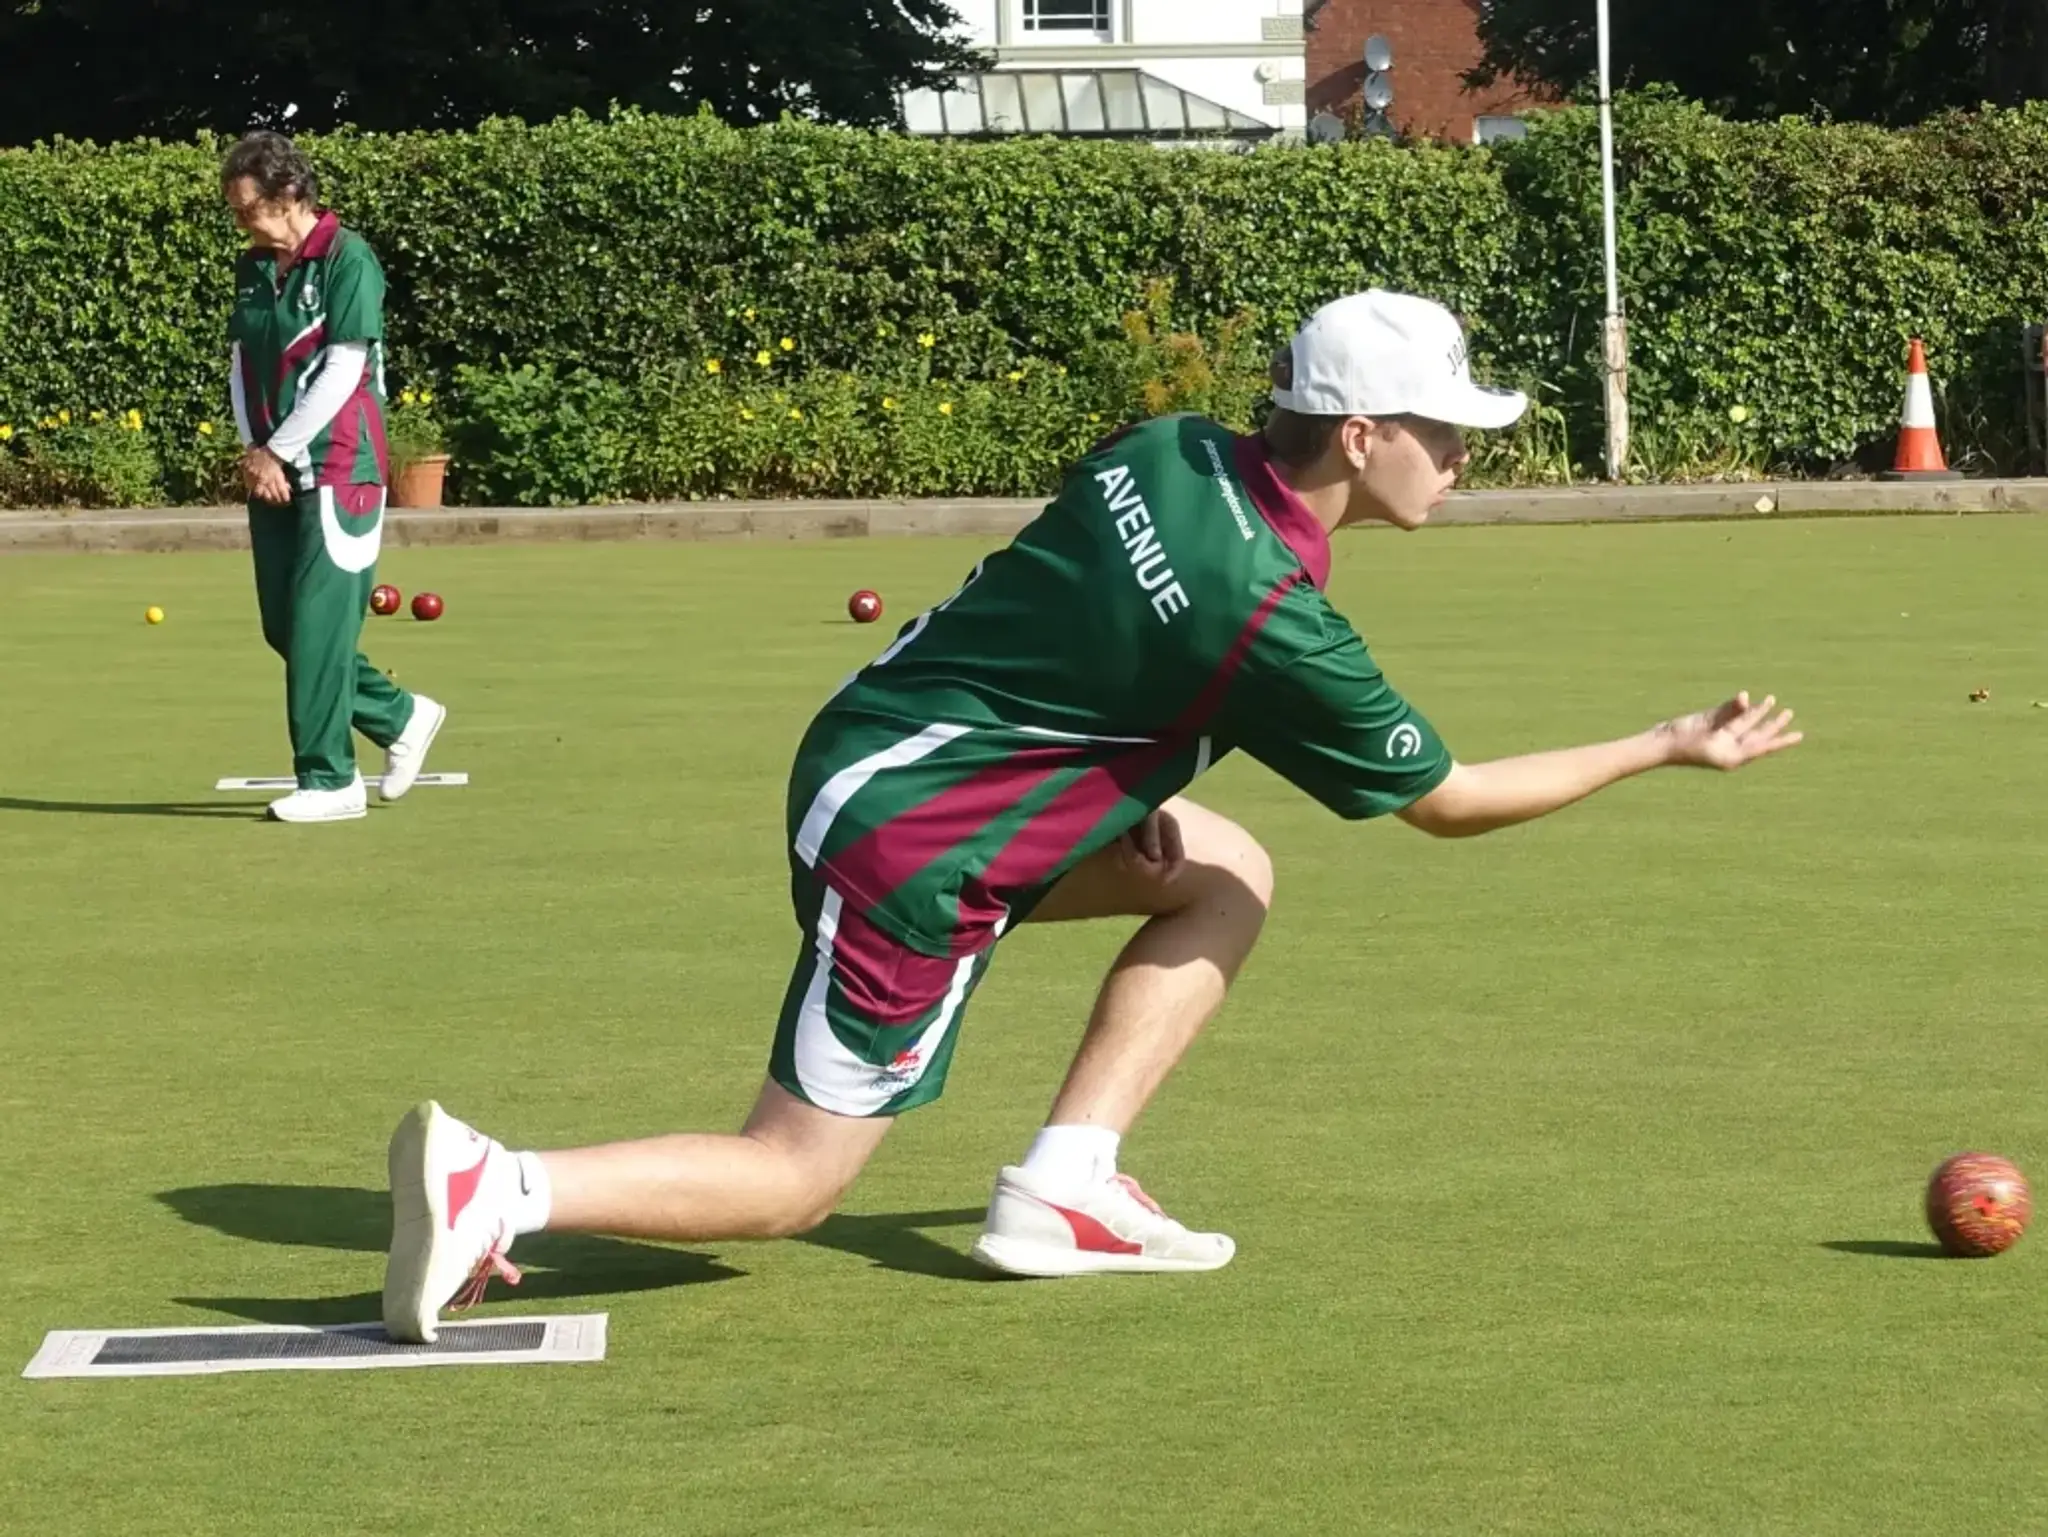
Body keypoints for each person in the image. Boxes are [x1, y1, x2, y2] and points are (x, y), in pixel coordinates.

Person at [379, 290, 1802, 1342]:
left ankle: (1065, 1184)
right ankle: (500, 1183)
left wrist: (1122, 793)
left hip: (874, 750)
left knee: (1222, 867)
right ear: (1361, 435)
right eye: (1445, 431)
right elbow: (1448, 800)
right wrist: (1663, 743)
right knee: (792, 1178)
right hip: (916, 846)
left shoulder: (1170, 450)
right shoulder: (1274, 617)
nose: (1463, 455)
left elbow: (1085, 632)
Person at [221, 131, 447, 824]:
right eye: (234, 210)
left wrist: (279, 450)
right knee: (286, 627)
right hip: (274, 467)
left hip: (340, 466)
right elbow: (241, 362)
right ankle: (401, 715)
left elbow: (345, 369)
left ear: (290, 193)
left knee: (319, 626)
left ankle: (330, 780)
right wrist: (255, 448)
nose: (241, 221)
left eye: (249, 207)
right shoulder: (254, 266)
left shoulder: (350, 260)